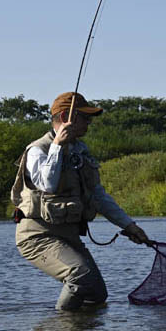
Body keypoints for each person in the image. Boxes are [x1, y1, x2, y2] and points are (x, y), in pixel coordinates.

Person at [11, 91, 150, 310]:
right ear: (67, 116)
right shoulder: (38, 150)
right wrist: (57, 146)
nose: (89, 122)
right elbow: (46, 184)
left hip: (67, 235)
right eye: (85, 117)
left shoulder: (80, 150)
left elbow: (98, 196)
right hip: (37, 236)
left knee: (96, 294)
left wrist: (130, 226)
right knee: (79, 275)